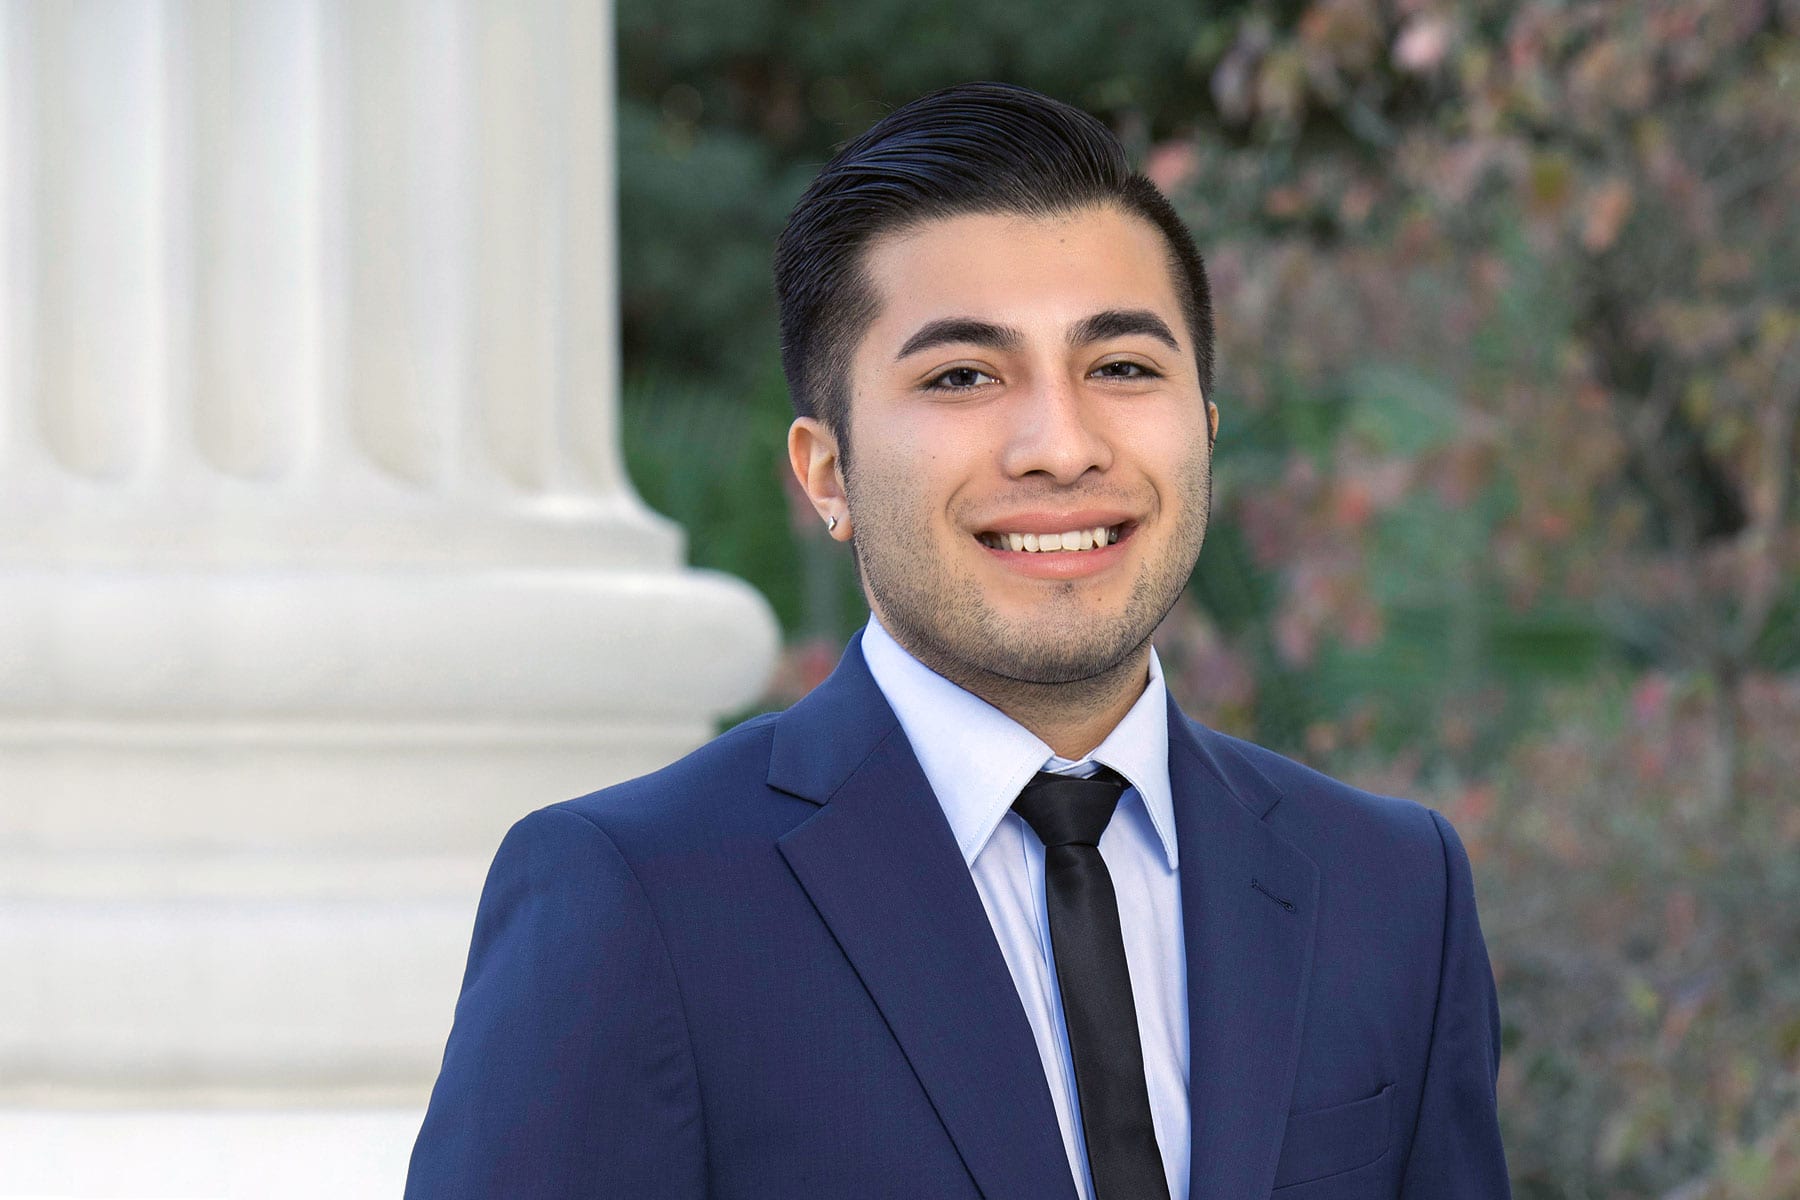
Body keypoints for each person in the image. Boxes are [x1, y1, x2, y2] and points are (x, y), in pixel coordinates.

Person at [405, 81, 1510, 1199]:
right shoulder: (635, 897)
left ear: (1206, 430)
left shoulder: (1391, 888)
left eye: (1122, 367)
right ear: (826, 473)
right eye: (962, 376)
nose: (1060, 446)